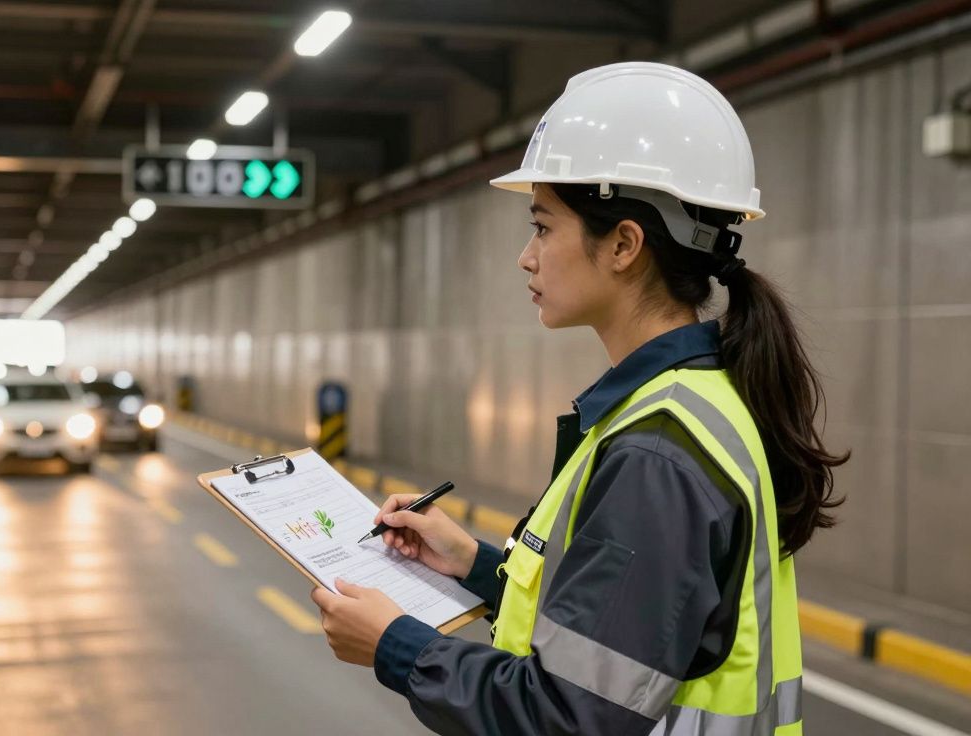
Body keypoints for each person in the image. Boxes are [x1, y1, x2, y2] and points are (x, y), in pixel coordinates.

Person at [310, 61, 849, 735]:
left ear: (624, 244)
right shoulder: (691, 403)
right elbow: (626, 634)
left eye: (542, 226)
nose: (526, 257)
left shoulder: (658, 452)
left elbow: (569, 714)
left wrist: (396, 646)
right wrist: (475, 565)